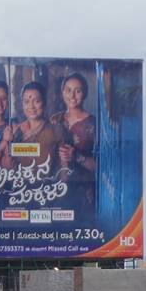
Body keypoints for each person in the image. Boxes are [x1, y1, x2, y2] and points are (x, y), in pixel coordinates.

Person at [50, 71, 98, 220]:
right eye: (68, 90)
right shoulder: (54, 120)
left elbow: (101, 167)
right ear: (62, 92)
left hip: (84, 192)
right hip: (56, 188)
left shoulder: (94, 124)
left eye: (78, 91)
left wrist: (76, 156)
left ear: (85, 93)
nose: (72, 96)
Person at [1, 80, 62, 175]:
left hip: (46, 183)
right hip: (18, 182)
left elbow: (64, 167)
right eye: (26, 102)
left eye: (37, 101)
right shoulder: (15, 131)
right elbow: (6, 164)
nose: (31, 106)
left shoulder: (55, 130)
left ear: (44, 102)